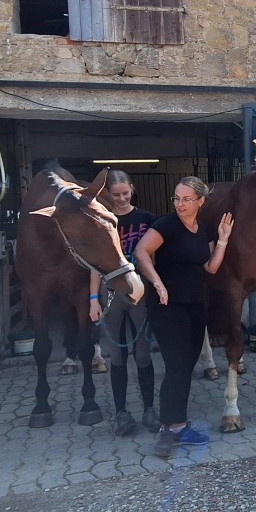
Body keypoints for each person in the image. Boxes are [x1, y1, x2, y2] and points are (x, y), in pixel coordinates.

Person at [133, 176, 232, 458]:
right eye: (177, 198)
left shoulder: (205, 230)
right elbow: (141, 251)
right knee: (176, 365)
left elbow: (211, 268)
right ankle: (168, 428)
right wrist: (157, 282)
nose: (180, 204)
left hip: (195, 305)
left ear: (201, 201)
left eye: (187, 199)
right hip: (166, 306)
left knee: (186, 366)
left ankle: (178, 424)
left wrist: (223, 240)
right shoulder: (166, 225)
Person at [88, 170, 156, 436]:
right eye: (116, 195)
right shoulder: (102, 221)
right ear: (108, 195)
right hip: (111, 294)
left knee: (142, 353)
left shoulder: (147, 219)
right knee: (117, 355)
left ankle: (149, 410)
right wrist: (93, 299)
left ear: (132, 189)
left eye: (125, 193)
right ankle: (121, 413)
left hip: (140, 292)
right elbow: (94, 265)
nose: (121, 198)